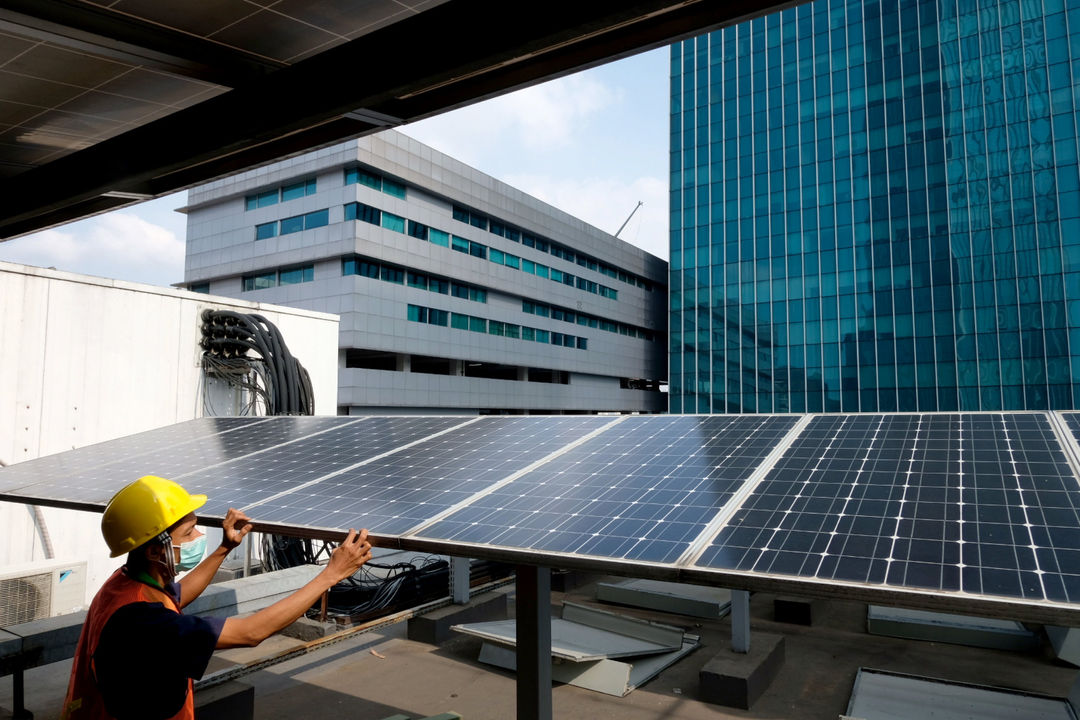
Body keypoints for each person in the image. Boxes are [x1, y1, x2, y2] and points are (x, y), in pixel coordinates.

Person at [61, 475, 372, 720]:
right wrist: (331, 575)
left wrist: (225, 548)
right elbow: (251, 633)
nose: (198, 538)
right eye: (190, 533)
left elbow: (177, 596)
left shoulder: (125, 584)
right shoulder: (147, 623)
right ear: (156, 550)